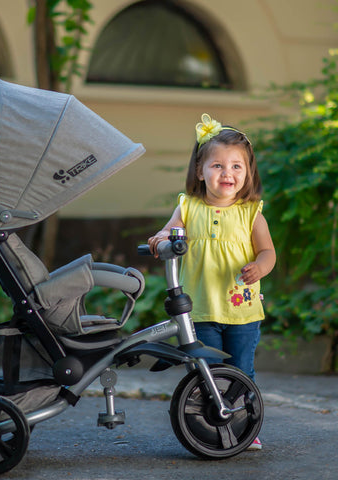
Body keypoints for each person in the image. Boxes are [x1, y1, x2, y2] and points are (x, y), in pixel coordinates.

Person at [148, 113, 275, 451]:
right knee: (208, 372)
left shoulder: (251, 213)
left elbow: (268, 252)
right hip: (201, 309)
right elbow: (169, 232)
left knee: (241, 371)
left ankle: (245, 426)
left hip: (242, 311)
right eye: (217, 165)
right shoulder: (188, 208)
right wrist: (161, 239)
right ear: (200, 171)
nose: (227, 173)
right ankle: (210, 426)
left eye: (236, 166)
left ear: (248, 173)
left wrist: (260, 267)